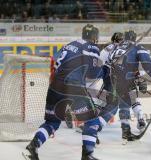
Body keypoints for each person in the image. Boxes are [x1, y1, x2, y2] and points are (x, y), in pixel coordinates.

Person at [23, 24, 103, 160]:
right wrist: (105, 70)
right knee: (92, 120)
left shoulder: (68, 45)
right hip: (74, 88)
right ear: (94, 36)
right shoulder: (93, 47)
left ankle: (33, 147)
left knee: (52, 123)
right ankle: (87, 155)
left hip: (55, 86)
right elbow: (93, 74)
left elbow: (55, 66)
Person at [107, 30, 151, 142]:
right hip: (127, 78)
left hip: (114, 78)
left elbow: (110, 62)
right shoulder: (137, 46)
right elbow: (148, 66)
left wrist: (136, 77)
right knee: (126, 103)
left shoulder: (116, 46)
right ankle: (126, 130)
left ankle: (138, 120)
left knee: (128, 100)